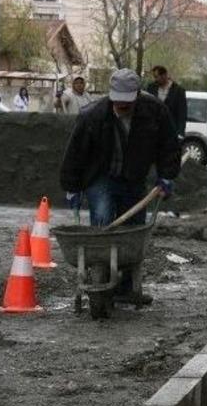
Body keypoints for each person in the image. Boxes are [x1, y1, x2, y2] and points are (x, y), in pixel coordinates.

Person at [60, 68, 180, 304]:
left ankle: (125, 288)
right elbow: (76, 153)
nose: (121, 106)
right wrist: (71, 186)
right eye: (117, 101)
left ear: (137, 95)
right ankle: (101, 283)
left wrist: (167, 175)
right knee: (103, 223)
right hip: (101, 176)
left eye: (127, 102)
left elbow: (169, 145)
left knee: (131, 232)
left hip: (134, 178)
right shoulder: (93, 115)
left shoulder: (154, 112)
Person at [145, 65, 188, 138]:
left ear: (164, 75)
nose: (155, 79)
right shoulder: (151, 88)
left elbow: (182, 113)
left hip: (171, 131)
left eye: (156, 76)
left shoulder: (178, 91)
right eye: (154, 77)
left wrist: (180, 133)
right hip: (153, 131)